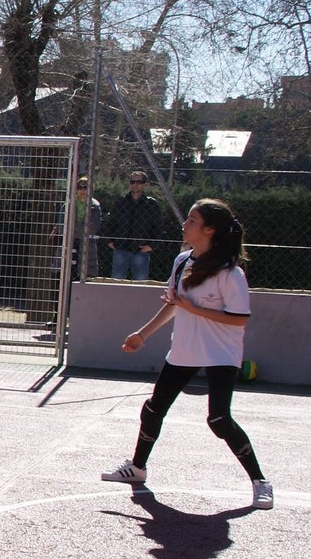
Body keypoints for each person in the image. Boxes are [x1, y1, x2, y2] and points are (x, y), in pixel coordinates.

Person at [101, 198, 273, 510]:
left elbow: (238, 319)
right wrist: (142, 334)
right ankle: (137, 468)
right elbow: (173, 304)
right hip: (184, 347)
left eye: (192, 220)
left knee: (219, 419)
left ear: (209, 230)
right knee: (153, 409)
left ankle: (260, 482)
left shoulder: (230, 273)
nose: (184, 224)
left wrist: (193, 308)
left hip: (221, 352)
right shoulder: (182, 261)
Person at [105, 171, 162, 280]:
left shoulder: (151, 204)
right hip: (121, 248)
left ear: (145, 184)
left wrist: (152, 245)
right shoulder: (120, 202)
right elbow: (110, 222)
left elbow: (158, 227)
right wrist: (109, 241)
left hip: (141, 250)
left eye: (139, 182)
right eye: (132, 181)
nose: (135, 184)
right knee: (117, 282)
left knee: (140, 283)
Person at [53, 176, 102, 279]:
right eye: (80, 187)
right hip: (68, 244)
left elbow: (93, 229)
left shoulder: (95, 206)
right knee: (64, 277)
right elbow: (62, 228)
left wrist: (72, 226)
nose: (82, 191)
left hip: (87, 246)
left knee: (85, 278)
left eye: (86, 187)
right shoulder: (67, 205)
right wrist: (82, 228)